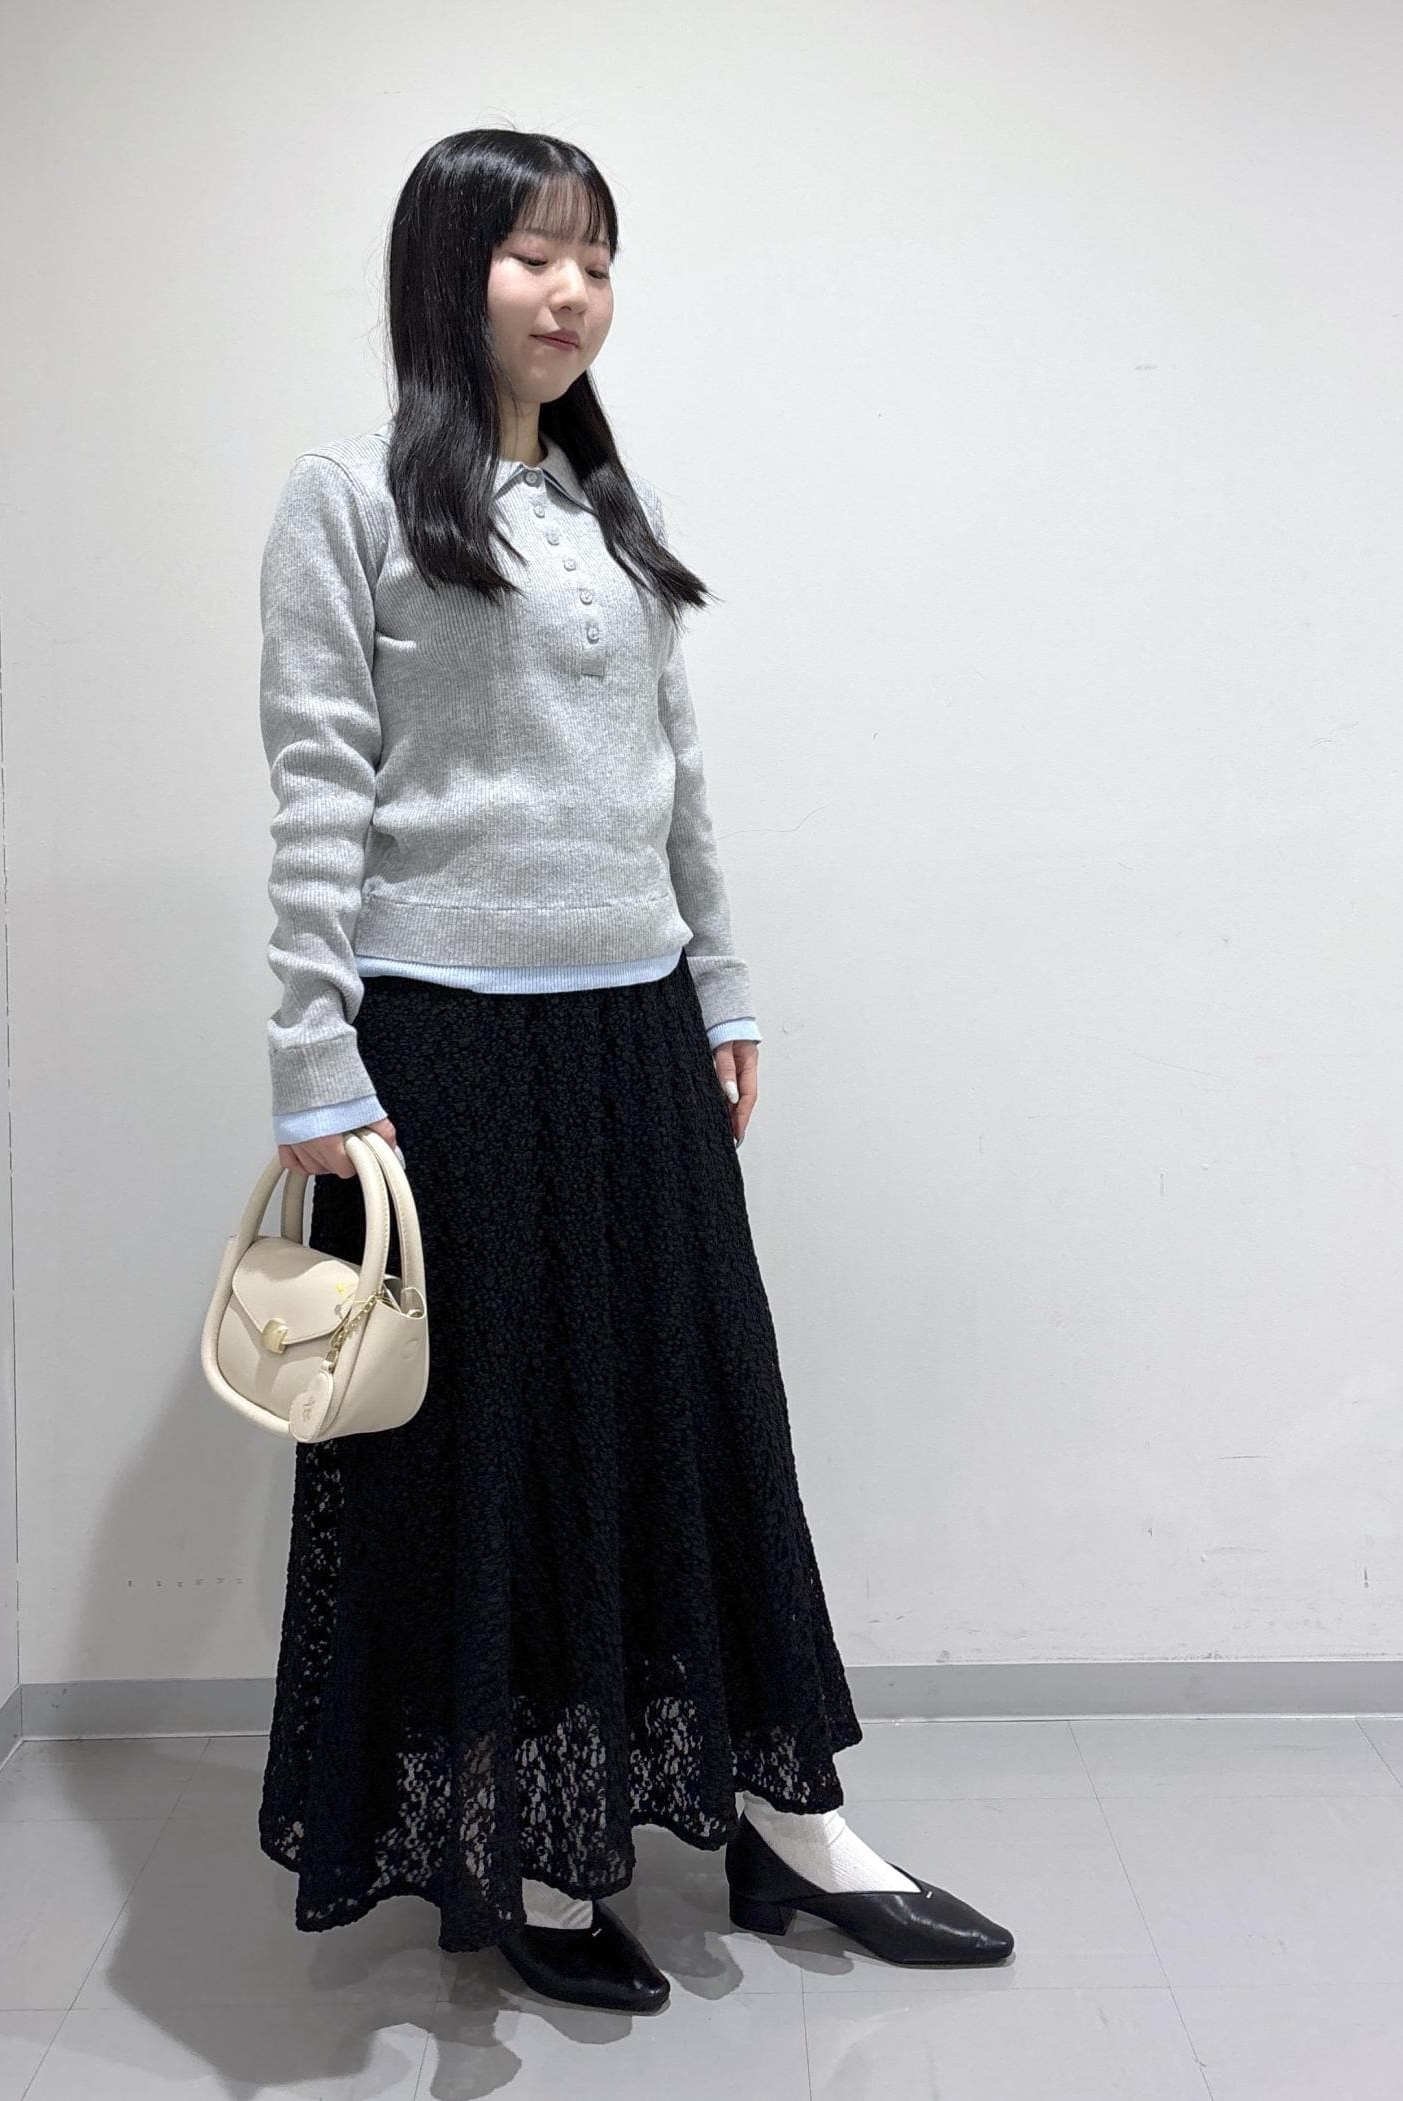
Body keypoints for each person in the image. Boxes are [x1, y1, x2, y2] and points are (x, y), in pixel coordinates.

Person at [254, 126, 1013, 2014]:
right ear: (448, 272)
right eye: (532, 254)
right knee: (489, 1448)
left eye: (594, 256)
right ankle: (517, 1839)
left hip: (638, 1029)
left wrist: (723, 986)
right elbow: (318, 788)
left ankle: (791, 1820)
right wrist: (312, 1064)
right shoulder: (346, 498)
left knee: (696, 1414)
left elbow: (678, 780)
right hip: (447, 1043)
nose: (571, 289)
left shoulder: (613, 505)